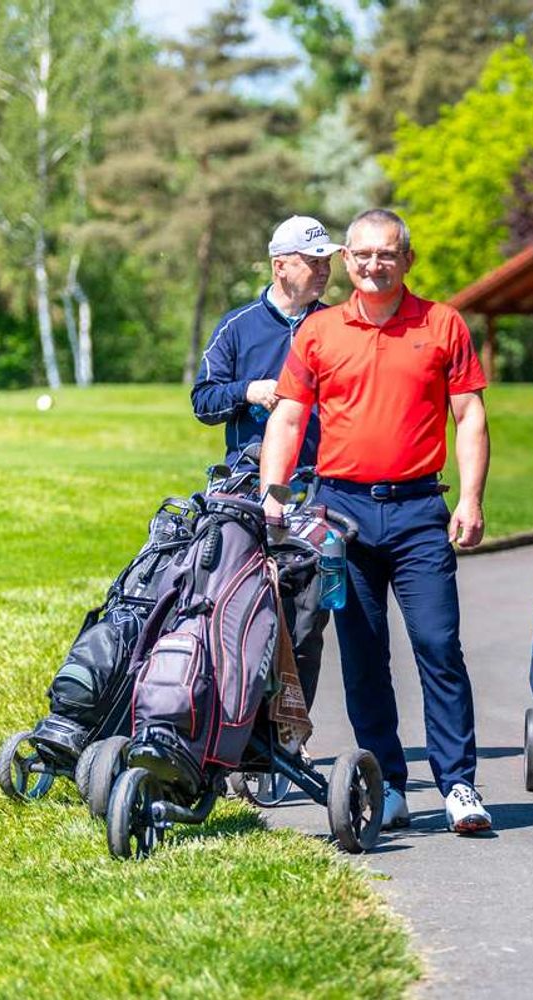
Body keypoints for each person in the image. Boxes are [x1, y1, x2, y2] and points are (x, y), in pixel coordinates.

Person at [258, 209, 494, 835]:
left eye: (386, 254)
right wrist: (273, 492)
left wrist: (470, 499)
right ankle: (387, 784)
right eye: (361, 254)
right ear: (346, 261)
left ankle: (458, 784)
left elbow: (469, 415)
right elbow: (288, 416)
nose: (373, 265)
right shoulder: (320, 332)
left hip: (419, 512)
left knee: (438, 645)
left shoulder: (442, 324)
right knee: (363, 656)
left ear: (406, 260)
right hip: (342, 519)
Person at [192, 214, 339, 710]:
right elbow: (202, 402)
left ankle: (291, 729)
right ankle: (234, 719)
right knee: (238, 607)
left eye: (326, 262)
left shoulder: (336, 326)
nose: (324, 271)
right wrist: (248, 391)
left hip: (319, 490)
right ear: (280, 266)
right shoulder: (237, 327)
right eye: (313, 261)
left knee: (307, 617)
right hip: (248, 489)